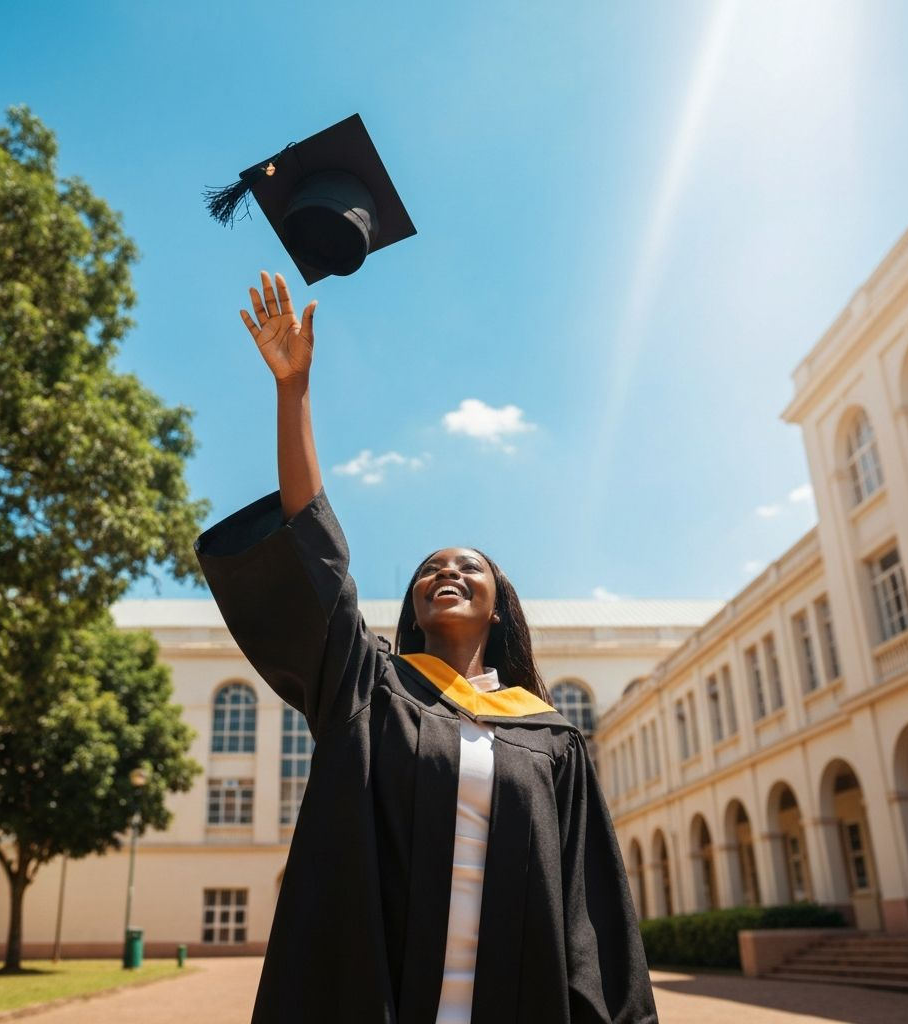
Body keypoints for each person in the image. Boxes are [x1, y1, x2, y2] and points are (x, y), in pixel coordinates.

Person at [194, 271, 659, 1024]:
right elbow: (316, 560)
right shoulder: (372, 691)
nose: (445, 572)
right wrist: (294, 392)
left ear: (497, 603)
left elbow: (590, 916)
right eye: (428, 571)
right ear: (412, 605)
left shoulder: (553, 741)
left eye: (466, 566)